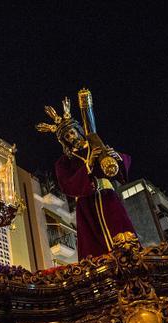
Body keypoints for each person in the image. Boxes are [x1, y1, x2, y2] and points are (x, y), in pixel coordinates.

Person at [37, 96, 136, 259]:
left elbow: (120, 166)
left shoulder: (95, 145)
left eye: (71, 132)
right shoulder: (64, 162)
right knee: (94, 247)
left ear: (78, 130)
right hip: (86, 204)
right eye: (67, 137)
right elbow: (66, 184)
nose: (71, 137)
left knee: (120, 232)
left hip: (108, 197)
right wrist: (88, 166)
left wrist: (115, 157)